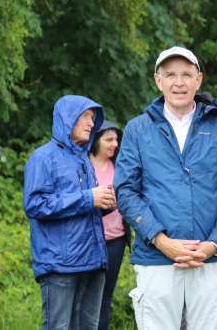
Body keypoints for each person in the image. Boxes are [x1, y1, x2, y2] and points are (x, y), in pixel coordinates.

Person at [115, 46, 217, 330]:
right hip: (156, 258)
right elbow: (125, 192)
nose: (179, 82)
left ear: (199, 80)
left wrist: (214, 245)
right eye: (170, 74)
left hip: (210, 260)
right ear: (158, 80)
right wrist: (162, 241)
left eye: (186, 74)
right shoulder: (137, 130)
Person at [24, 95, 114, 330]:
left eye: (93, 118)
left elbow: (82, 207)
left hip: (94, 262)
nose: (91, 123)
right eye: (85, 116)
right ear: (67, 118)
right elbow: (35, 205)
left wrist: (104, 204)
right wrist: (88, 198)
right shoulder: (42, 158)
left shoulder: (85, 161)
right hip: (60, 265)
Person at [89, 121, 131, 330]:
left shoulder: (121, 166)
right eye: (109, 139)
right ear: (96, 141)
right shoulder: (83, 166)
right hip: (89, 240)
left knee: (106, 295)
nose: (115, 144)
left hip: (116, 240)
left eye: (116, 139)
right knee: (87, 294)